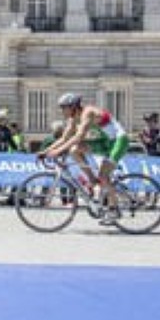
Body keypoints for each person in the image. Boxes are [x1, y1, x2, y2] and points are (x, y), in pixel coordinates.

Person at [39, 93, 129, 226]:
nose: (62, 111)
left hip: (118, 141)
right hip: (102, 142)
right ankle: (92, 179)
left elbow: (78, 136)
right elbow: (64, 138)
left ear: (73, 106)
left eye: (64, 108)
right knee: (74, 150)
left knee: (104, 176)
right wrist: (45, 152)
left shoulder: (88, 113)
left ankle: (114, 210)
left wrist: (57, 151)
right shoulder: (73, 119)